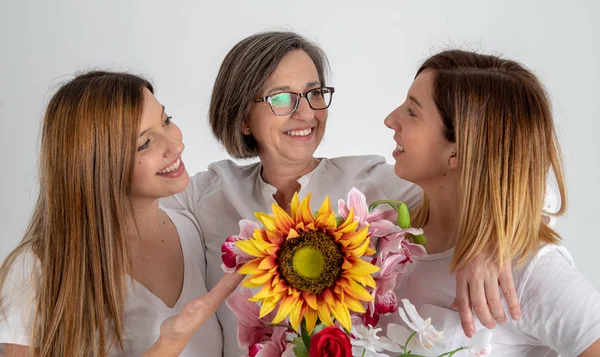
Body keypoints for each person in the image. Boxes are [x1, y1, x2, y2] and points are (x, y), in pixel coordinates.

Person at [161, 31, 525, 356]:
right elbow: (122, 196)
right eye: (282, 98)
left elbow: (502, 183)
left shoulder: (373, 181)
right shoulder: (208, 193)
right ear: (242, 117)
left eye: (314, 93)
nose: (305, 113)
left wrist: (488, 239)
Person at [0, 71, 242, 357]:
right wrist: (168, 345)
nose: (176, 146)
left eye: (166, 120)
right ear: (96, 164)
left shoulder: (191, 228)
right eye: (144, 143)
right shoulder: (38, 268)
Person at [382, 49, 600, 356]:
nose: (390, 119)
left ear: (459, 150)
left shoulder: (525, 270)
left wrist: (491, 239)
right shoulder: (386, 202)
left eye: (412, 112)